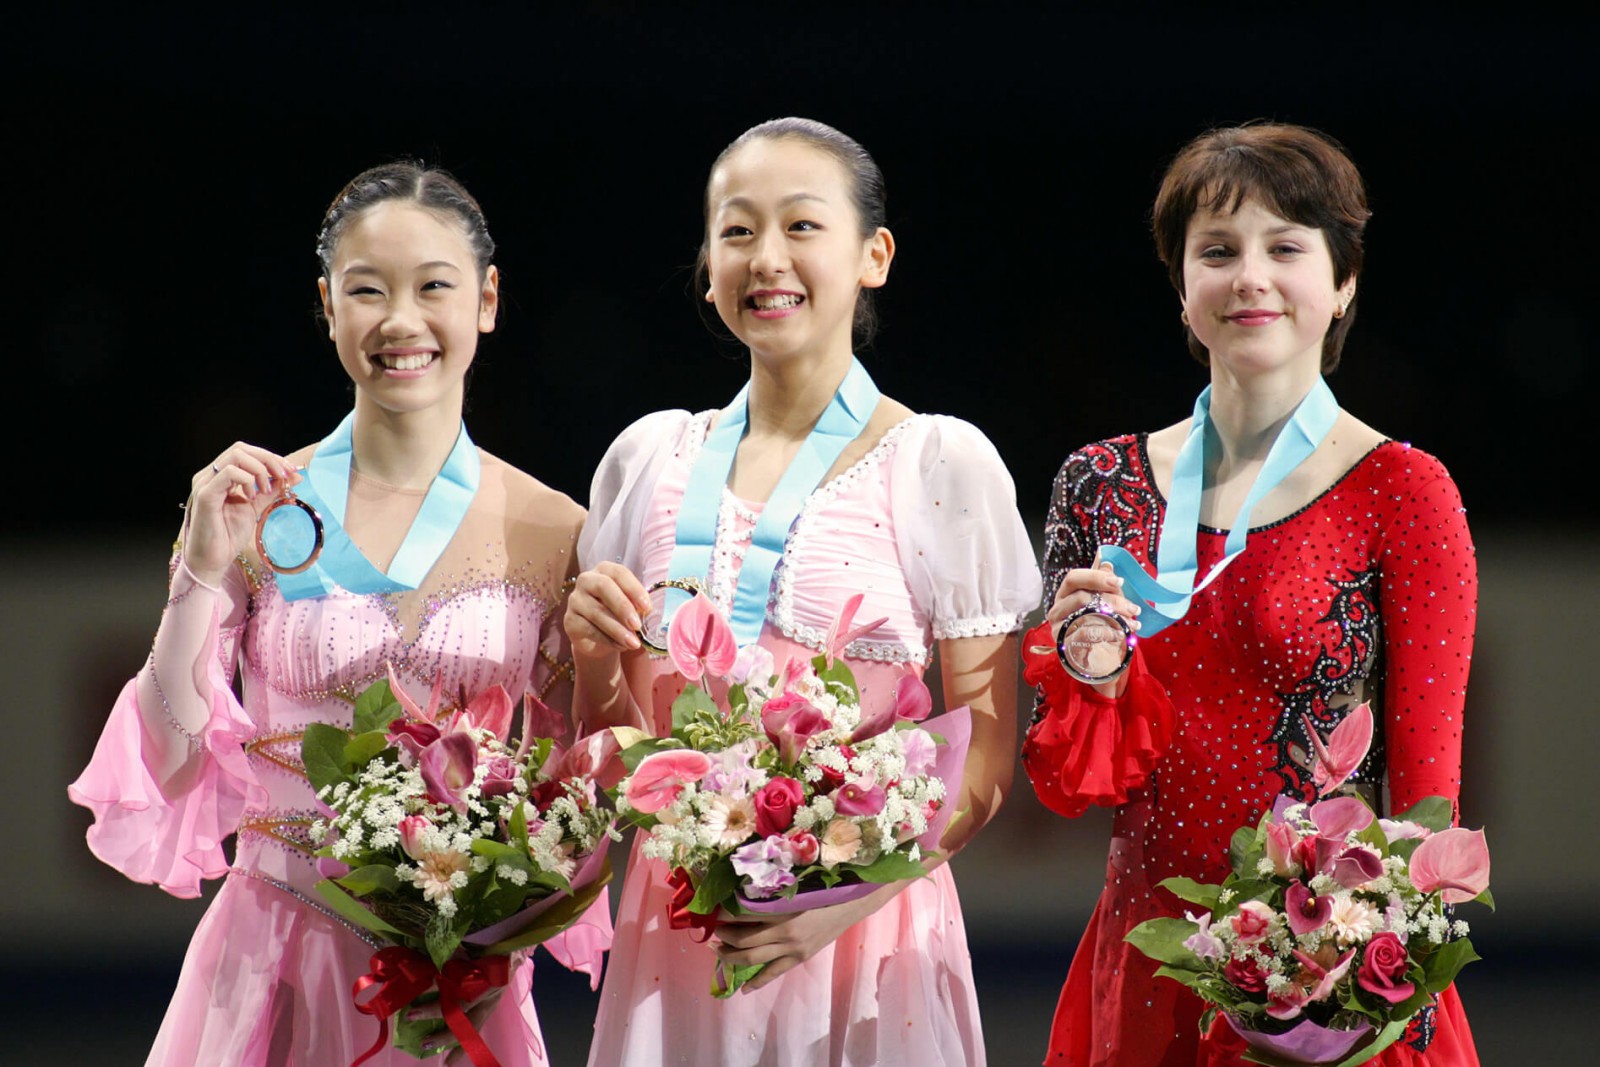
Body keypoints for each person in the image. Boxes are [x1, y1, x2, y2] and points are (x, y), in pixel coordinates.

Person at [69, 162, 608, 1066]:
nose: (401, 320)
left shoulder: (556, 528)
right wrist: (198, 569)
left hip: (458, 984)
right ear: (327, 306)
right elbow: (166, 761)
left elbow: (573, 800)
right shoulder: (254, 510)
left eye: (434, 286)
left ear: (487, 299)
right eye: (367, 290)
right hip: (269, 967)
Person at [565, 117, 1041, 1067]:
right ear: (707, 266)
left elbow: (985, 766)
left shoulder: (939, 463)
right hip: (680, 940)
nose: (766, 257)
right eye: (737, 231)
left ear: (874, 255)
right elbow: (615, 758)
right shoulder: (647, 460)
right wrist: (590, 657)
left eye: (800, 226)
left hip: (867, 947)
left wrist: (836, 904)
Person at [1021, 123, 1479, 1065]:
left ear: (1344, 280)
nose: (1250, 277)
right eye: (1217, 251)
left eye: (1286, 247)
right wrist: (1087, 677)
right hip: (1149, 963)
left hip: (1330, 977)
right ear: (1182, 288)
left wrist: (1360, 993)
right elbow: (1070, 785)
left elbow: (1428, 801)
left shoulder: (1405, 492)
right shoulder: (1098, 484)